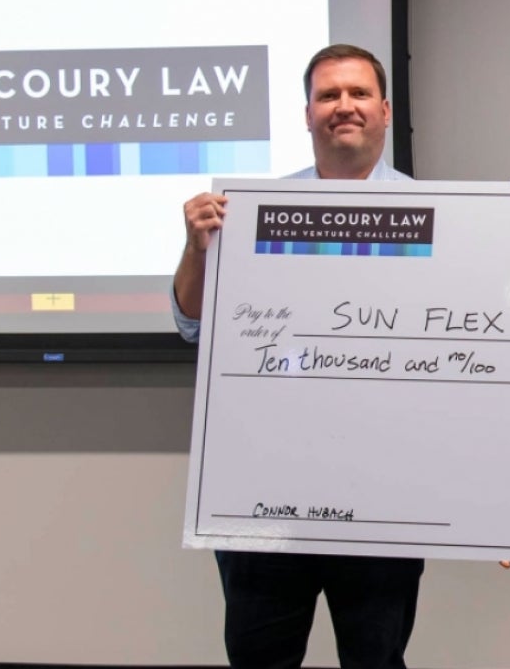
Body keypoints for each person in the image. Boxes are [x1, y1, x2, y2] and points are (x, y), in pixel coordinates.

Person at [172, 44, 424, 669]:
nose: (345, 106)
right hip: (267, 494)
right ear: (307, 114)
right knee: (259, 658)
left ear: (386, 111)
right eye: (328, 95)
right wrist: (198, 250)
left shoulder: (439, 213)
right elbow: (191, 326)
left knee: (377, 660)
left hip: (381, 497)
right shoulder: (247, 213)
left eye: (359, 93)